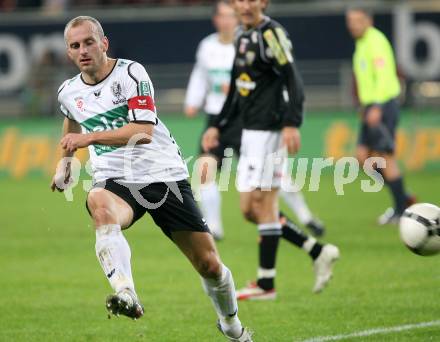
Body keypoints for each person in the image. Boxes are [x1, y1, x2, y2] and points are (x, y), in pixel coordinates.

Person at [51, 16, 252, 341]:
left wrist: (89, 140)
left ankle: (231, 325)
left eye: (89, 42)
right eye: (75, 46)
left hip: (163, 175)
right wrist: (65, 164)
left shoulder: (131, 73)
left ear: (104, 43)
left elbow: (142, 132)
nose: (83, 50)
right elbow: (71, 120)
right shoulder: (68, 91)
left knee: (209, 265)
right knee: (98, 201)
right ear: (69, 53)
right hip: (115, 179)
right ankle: (126, 291)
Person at [203, 0, 339, 300]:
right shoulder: (242, 36)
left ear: (263, 2)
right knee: (251, 210)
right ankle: (318, 251)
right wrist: (217, 124)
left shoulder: (271, 35)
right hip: (250, 132)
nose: (246, 5)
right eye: (240, 0)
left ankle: (266, 284)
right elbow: (237, 87)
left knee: (263, 207)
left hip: (271, 131)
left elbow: (293, 77)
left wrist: (291, 123)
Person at [185, 0, 326, 240]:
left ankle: (305, 216)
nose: (229, 20)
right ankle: (216, 228)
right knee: (204, 169)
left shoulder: (257, 37)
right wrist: (193, 100)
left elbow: (282, 78)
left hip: (249, 119)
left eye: (231, 16)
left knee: (270, 179)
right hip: (219, 117)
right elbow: (201, 75)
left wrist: (288, 118)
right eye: (224, 15)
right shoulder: (207, 47)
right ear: (216, 19)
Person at [346, 7, 415, 225]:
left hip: (382, 106)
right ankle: (402, 196)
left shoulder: (376, 41)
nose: (353, 25)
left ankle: (400, 209)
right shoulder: (362, 43)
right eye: (350, 21)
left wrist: (377, 106)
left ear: (369, 20)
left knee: (385, 158)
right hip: (370, 106)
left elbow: (385, 76)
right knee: (362, 158)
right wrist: (365, 106)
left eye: (358, 20)